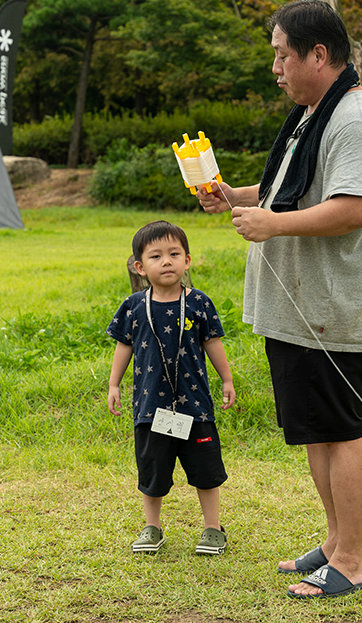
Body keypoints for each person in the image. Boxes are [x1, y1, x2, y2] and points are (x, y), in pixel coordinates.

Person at [198, 0, 362, 599]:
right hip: (299, 310)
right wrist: (236, 196)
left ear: (319, 54)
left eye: (284, 55)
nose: (277, 68)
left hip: (331, 309)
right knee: (315, 431)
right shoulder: (315, 113)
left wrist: (273, 226)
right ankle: (336, 543)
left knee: (340, 430)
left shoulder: (356, 119)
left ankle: (354, 562)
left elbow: (357, 207)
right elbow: (295, 187)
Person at [107, 220, 236, 555]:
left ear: (187, 261)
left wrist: (226, 378)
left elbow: (213, 342)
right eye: (156, 256)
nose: (166, 261)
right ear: (140, 266)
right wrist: (114, 384)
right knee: (152, 471)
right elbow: (124, 345)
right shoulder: (134, 306)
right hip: (151, 409)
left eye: (174, 254)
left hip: (195, 406)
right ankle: (152, 527)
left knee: (206, 471)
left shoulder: (199, 303)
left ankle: (212, 528)